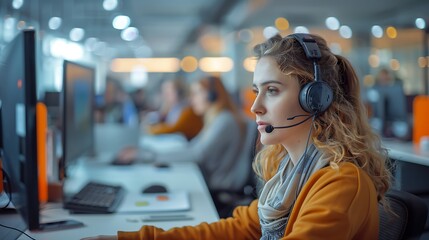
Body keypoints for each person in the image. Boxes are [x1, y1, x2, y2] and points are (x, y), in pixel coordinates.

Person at [83, 33, 391, 240]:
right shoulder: (288, 173)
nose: (255, 107)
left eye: (272, 91)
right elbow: (239, 227)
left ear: (316, 99)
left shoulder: (341, 183)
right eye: (258, 91)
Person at [118, 76, 247, 192]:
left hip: (218, 187)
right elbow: (192, 148)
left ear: (211, 95)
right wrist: (148, 154)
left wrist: (147, 156)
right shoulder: (215, 119)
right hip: (209, 181)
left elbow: (197, 154)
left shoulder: (224, 120)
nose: (192, 100)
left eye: (196, 94)